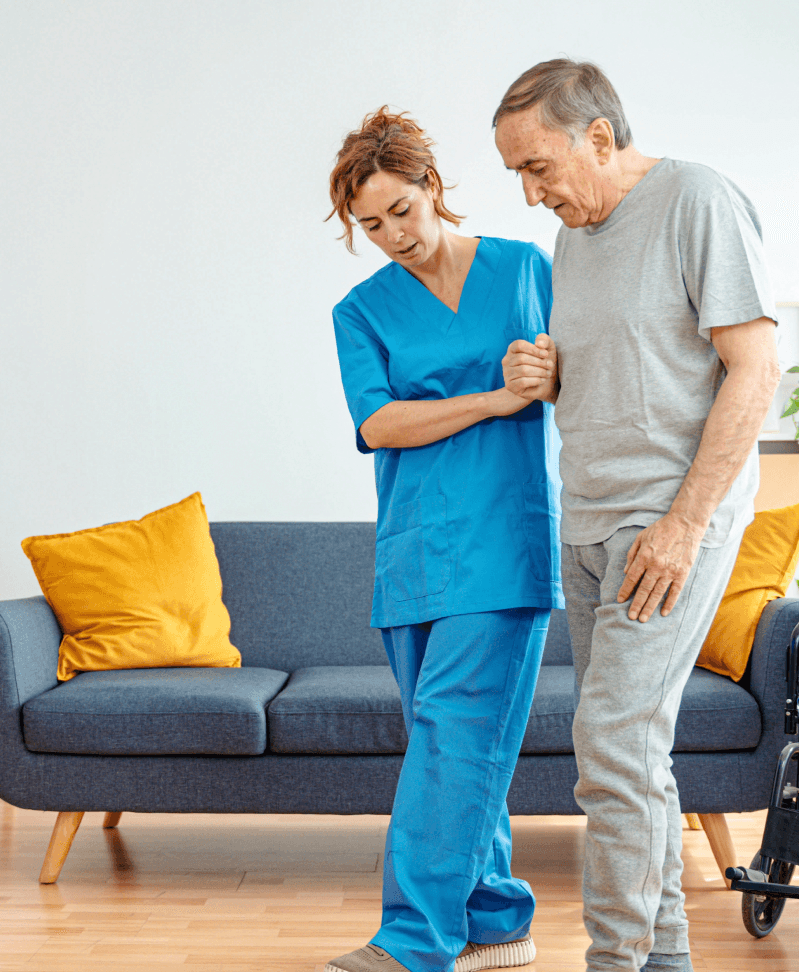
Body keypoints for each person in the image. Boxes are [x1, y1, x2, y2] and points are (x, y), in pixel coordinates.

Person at [493, 60, 782, 972]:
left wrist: (684, 525)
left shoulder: (697, 201)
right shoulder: (574, 237)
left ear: (599, 137)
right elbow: (631, 368)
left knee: (612, 748)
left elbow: (755, 370)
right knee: (633, 757)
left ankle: (613, 963)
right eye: (517, 175)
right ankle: (664, 961)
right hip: (586, 522)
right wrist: (550, 376)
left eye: (538, 167)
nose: (531, 193)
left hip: (663, 525)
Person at [323, 107, 563, 972]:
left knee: (456, 735)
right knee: (454, 743)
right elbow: (379, 423)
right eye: (371, 225)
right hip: (414, 551)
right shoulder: (360, 311)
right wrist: (497, 398)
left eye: (401, 210)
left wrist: (549, 376)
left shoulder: (524, 268)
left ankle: (414, 940)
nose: (392, 235)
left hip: (506, 540)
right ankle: (495, 923)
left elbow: (580, 372)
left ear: (432, 187)